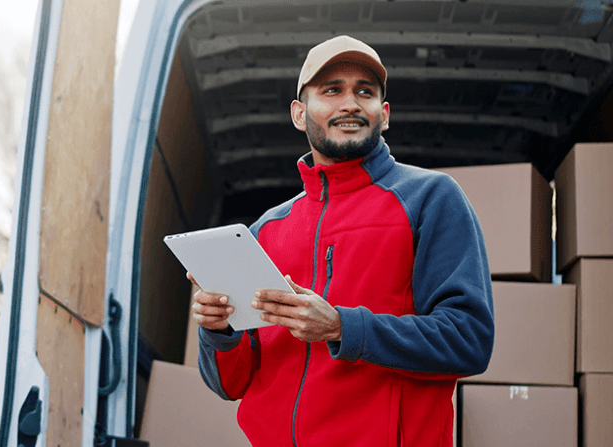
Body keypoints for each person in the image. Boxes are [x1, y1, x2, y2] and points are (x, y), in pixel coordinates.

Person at [189, 35, 495, 447]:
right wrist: (218, 331)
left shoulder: (431, 198)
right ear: (299, 113)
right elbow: (232, 384)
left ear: (383, 114)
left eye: (364, 92)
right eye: (332, 90)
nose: (350, 103)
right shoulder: (266, 230)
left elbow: (468, 341)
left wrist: (340, 327)